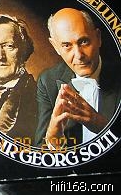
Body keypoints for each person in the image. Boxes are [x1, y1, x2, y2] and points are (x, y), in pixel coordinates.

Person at [36, 8, 121, 148]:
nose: (79, 55)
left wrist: (101, 125)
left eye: (84, 42)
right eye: (67, 45)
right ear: (55, 47)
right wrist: (52, 139)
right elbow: (39, 150)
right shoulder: (47, 81)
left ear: (98, 38)